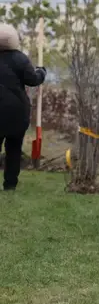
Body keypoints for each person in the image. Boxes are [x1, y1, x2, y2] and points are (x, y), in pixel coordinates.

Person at [0, 24, 46, 191]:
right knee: (13, 150)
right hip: (17, 113)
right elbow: (33, 80)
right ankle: (10, 184)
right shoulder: (20, 59)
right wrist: (42, 72)